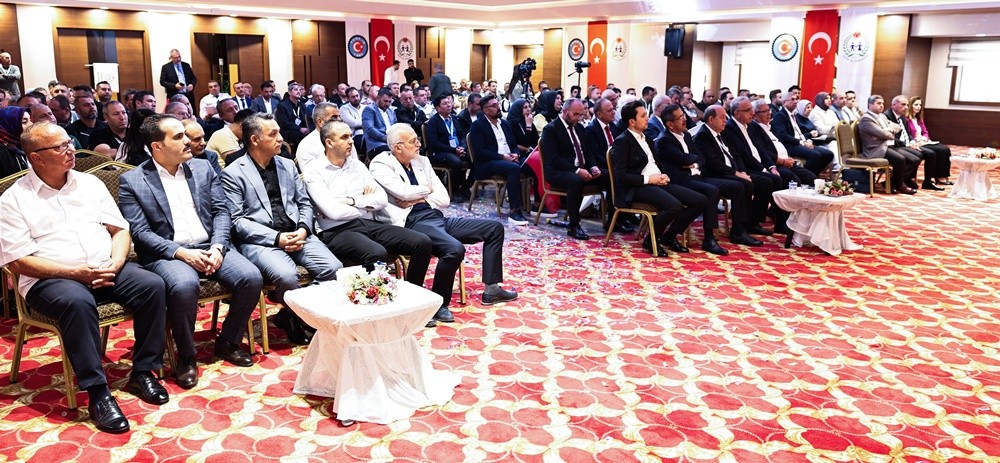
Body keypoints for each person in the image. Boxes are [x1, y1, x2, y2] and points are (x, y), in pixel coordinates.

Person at [1, 122, 168, 433]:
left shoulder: (90, 184)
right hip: (50, 279)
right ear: (36, 157)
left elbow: (120, 230)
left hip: (105, 266)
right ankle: (98, 392)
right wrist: (75, 273)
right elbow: (19, 261)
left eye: (69, 142)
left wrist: (115, 263)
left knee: (152, 285)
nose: (71, 150)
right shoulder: (14, 199)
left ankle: (143, 371)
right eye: (61, 147)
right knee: (77, 302)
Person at [119, 114, 263, 390]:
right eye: (178, 137)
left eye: (185, 135)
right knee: (184, 285)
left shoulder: (203, 167)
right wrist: (182, 253)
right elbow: (141, 233)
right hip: (169, 253)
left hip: (210, 245)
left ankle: (228, 341)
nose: (188, 141)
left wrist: (218, 246)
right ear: (157, 146)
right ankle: (187, 356)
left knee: (250, 277)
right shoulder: (133, 180)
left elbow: (221, 211)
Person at [370, 123, 518, 327]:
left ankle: (492, 289)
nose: (419, 144)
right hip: (411, 221)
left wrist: (419, 197)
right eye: (413, 141)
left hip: (435, 216)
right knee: (454, 249)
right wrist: (426, 190)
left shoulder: (422, 160)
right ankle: (438, 304)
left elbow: (444, 198)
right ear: (398, 147)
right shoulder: (380, 164)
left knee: (494, 228)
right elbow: (402, 192)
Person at [222, 114, 342, 345]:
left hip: (298, 233)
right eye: (273, 134)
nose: (281, 138)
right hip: (261, 241)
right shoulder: (233, 173)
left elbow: (304, 203)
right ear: (255, 140)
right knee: (287, 276)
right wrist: (277, 238)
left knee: (333, 268)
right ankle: (298, 318)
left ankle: (292, 314)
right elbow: (237, 221)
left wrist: (303, 229)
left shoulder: (287, 165)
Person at [301, 121, 432, 309]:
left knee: (422, 242)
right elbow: (333, 212)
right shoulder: (314, 171)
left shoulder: (358, 166)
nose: (351, 141)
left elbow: (381, 200)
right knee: (376, 253)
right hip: (335, 232)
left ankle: (412, 301)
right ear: (329, 142)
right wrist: (365, 203)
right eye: (344, 137)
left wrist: (350, 201)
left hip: (365, 223)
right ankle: (373, 310)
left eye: (350, 136)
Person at [611, 100, 715, 257]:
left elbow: (656, 164)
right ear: (632, 122)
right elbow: (621, 176)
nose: (647, 118)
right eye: (643, 116)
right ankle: (650, 241)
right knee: (674, 206)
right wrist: (649, 179)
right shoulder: (622, 141)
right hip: (636, 187)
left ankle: (669, 236)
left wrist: (663, 175)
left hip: (657, 182)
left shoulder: (646, 138)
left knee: (701, 200)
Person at [693, 105, 773, 245]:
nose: (726, 120)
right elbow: (714, 164)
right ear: (711, 119)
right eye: (722, 117)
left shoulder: (722, 133)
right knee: (743, 185)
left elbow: (736, 155)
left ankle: (752, 222)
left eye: (726, 117)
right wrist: (737, 174)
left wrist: (742, 171)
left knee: (765, 182)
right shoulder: (703, 136)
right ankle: (738, 231)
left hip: (731, 172)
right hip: (715, 175)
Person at [539, 98, 610, 240]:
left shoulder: (579, 127)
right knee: (576, 180)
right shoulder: (551, 129)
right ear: (565, 111)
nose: (578, 118)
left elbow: (588, 153)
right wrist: (577, 170)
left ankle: (614, 219)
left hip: (581, 169)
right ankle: (574, 225)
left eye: (581, 115)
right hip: (558, 172)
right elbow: (554, 159)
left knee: (609, 176)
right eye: (575, 114)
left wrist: (593, 166)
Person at [467, 94, 529, 224]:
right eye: (494, 106)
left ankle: (536, 204)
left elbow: (513, 145)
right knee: (513, 168)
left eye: (498, 104)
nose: (498, 107)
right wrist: (502, 157)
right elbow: (480, 152)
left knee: (530, 163)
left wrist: (516, 154)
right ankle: (514, 211)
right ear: (485, 110)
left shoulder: (504, 124)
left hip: (508, 159)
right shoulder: (478, 126)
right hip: (487, 163)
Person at [857, 95, 921, 195]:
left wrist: (889, 130)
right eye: (879, 103)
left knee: (915, 159)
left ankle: (891, 183)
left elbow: (897, 127)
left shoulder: (882, 116)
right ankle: (900, 185)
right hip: (875, 149)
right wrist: (889, 132)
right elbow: (885, 135)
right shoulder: (866, 119)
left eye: (882, 103)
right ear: (870, 105)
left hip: (887, 145)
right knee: (900, 159)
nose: (882, 105)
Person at [887, 95, 947, 190]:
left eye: (907, 105)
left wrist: (912, 141)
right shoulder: (887, 116)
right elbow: (892, 137)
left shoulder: (901, 117)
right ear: (893, 105)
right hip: (896, 145)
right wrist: (909, 144)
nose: (906, 107)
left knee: (934, 152)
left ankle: (926, 181)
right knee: (920, 155)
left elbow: (907, 133)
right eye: (903, 105)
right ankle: (897, 181)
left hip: (907, 143)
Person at [770, 92, 835, 176]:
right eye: (792, 99)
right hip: (790, 144)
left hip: (800, 141)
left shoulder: (793, 115)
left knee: (828, 154)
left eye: (797, 99)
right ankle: (804, 176)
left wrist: (807, 140)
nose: (795, 101)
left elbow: (799, 132)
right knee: (815, 155)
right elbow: (782, 136)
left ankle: (813, 175)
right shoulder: (780, 116)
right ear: (784, 102)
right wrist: (802, 142)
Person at [425, 93, 470, 201]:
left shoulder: (454, 119)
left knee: (475, 158)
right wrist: (454, 150)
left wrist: (462, 147)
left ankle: (465, 187)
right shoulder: (433, 122)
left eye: (449, 102)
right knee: (456, 162)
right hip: (440, 152)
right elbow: (434, 143)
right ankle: (454, 191)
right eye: (445, 104)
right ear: (438, 108)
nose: (449, 105)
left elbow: (462, 136)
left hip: (457, 149)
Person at [904, 95, 952, 186]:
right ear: (910, 106)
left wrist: (924, 138)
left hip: (923, 141)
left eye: (920, 105)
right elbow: (907, 134)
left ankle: (942, 175)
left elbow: (925, 132)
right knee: (939, 150)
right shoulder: (906, 119)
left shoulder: (919, 118)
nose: (918, 107)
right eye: (916, 104)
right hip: (915, 143)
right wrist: (916, 140)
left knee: (945, 149)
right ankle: (935, 177)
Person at [361, 87, 397, 159]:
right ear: (377, 98)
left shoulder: (391, 111)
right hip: (376, 143)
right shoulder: (369, 109)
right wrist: (386, 138)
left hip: (391, 141)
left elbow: (395, 127)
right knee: (395, 151)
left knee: (410, 149)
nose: (388, 104)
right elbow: (369, 129)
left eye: (390, 102)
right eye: (385, 101)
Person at [275, 83, 309, 149]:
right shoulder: (282, 105)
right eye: (296, 90)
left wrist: (307, 128)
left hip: (301, 129)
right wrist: (299, 129)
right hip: (288, 130)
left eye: (300, 90)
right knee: (299, 136)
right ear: (289, 92)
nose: (298, 91)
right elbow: (284, 122)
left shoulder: (302, 105)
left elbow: (305, 119)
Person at [0, 106, 30, 178]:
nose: (31, 124)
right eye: (24, 122)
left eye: (30, 120)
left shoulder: (20, 145)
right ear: (8, 125)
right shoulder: (2, 153)